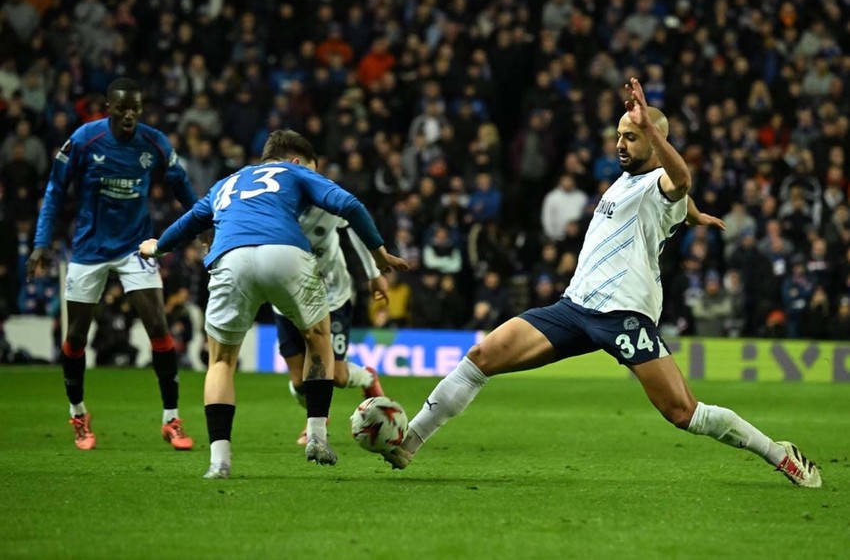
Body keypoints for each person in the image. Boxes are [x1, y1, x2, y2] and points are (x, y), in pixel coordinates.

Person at [383, 78, 822, 489]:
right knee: (481, 356)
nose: (620, 144)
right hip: (574, 308)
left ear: (653, 138)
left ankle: (779, 454)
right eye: (618, 136)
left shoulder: (660, 182)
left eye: (631, 137)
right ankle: (409, 443)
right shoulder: (628, 181)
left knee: (683, 412)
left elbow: (680, 182)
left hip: (623, 315)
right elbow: (681, 198)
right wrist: (694, 214)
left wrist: (667, 163)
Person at [138, 130, 409, 478]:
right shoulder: (296, 173)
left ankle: (218, 462)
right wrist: (379, 254)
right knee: (317, 338)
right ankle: (317, 437)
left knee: (220, 361)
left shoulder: (227, 182)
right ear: (296, 162)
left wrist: (157, 247)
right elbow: (352, 206)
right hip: (285, 254)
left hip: (229, 256)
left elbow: (191, 221)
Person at [27, 77, 198, 452]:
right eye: (122, 109)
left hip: (136, 248)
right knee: (75, 337)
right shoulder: (85, 140)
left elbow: (181, 183)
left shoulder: (153, 143)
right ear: (109, 108)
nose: (129, 116)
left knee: (159, 326)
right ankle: (78, 414)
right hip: (89, 250)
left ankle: (171, 419)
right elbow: (55, 190)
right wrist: (42, 242)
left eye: (135, 109)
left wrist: (203, 224)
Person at [274, 152, 389, 446]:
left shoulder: (327, 196)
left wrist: (374, 272)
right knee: (300, 381)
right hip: (286, 299)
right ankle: (316, 417)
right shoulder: (271, 202)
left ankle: (366, 378)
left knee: (335, 375)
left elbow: (356, 226)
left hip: (331, 296)